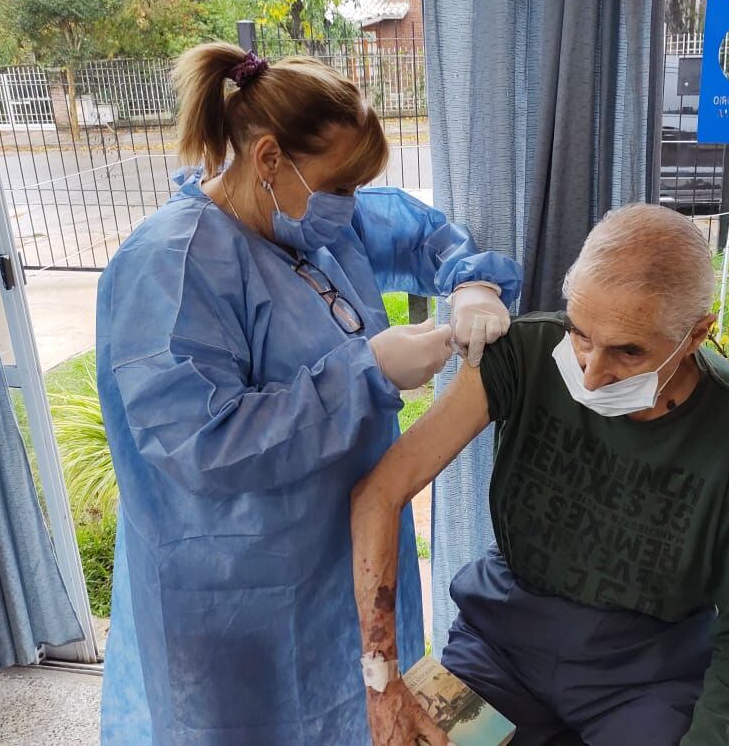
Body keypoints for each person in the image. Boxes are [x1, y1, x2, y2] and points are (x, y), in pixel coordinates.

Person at [95, 42, 522, 744]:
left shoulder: (312, 219)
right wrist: (369, 374)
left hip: (340, 558)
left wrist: (471, 280)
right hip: (233, 591)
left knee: (357, 714)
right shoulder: (168, 268)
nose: (350, 206)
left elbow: (421, 233)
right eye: (341, 186)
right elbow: (204, 446)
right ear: (269, 159)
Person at [351, 204, 729, 746]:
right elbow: (381, 492)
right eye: (580, 333)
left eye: (629, 351)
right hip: (503, 648)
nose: (591, 370)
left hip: (647, 675)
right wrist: (382, 680)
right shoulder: (527, 355)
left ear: (697, 334)